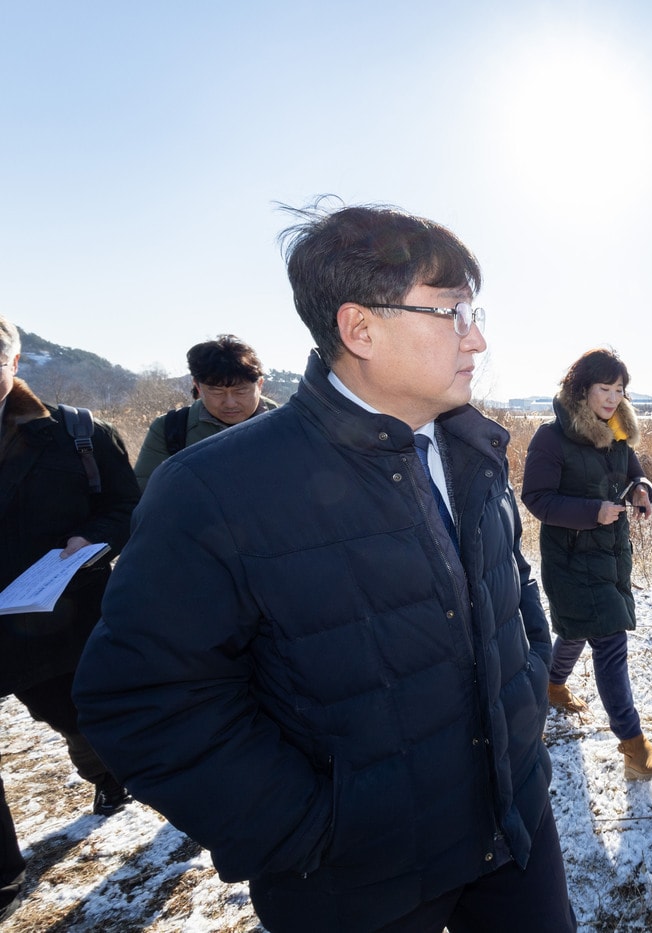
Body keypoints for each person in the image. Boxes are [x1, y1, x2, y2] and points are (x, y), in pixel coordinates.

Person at [73, 203, 574, 933]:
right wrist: (313, 831)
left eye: (475, 311)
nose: (479, 338)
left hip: (514, 827)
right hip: (356, 882)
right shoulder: (216, 488)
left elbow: (513, 587)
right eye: (451, 313)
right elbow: (143, 698)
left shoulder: (472, 448)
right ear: (359, 328)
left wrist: (525, 701)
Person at [0, 315, 139, 921]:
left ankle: (104, 770)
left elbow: (124, 506)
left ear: (15, 361)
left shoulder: (78, 434)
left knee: (71, 713)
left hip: (59, 617)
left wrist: (93, 541)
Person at [520, 348, 652, 781]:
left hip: (610, 553)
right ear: (581, 388)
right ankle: (634, 748)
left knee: (576, 628)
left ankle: (551, 686)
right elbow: (536, 499)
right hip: (571, 556)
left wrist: (641, 489)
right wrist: (593, 511)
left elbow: (632, 471)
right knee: (608, 642)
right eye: (604, 389)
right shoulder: (551, 438)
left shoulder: (619, 430)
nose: (612, 399)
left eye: (619, 390)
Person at [133, 334, 277, 490]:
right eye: (216, 392)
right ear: (198, 386)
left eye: (240, 391)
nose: (229, 403)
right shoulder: (170, 428)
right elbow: (146, 494)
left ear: (260, 384)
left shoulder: (287, 425)